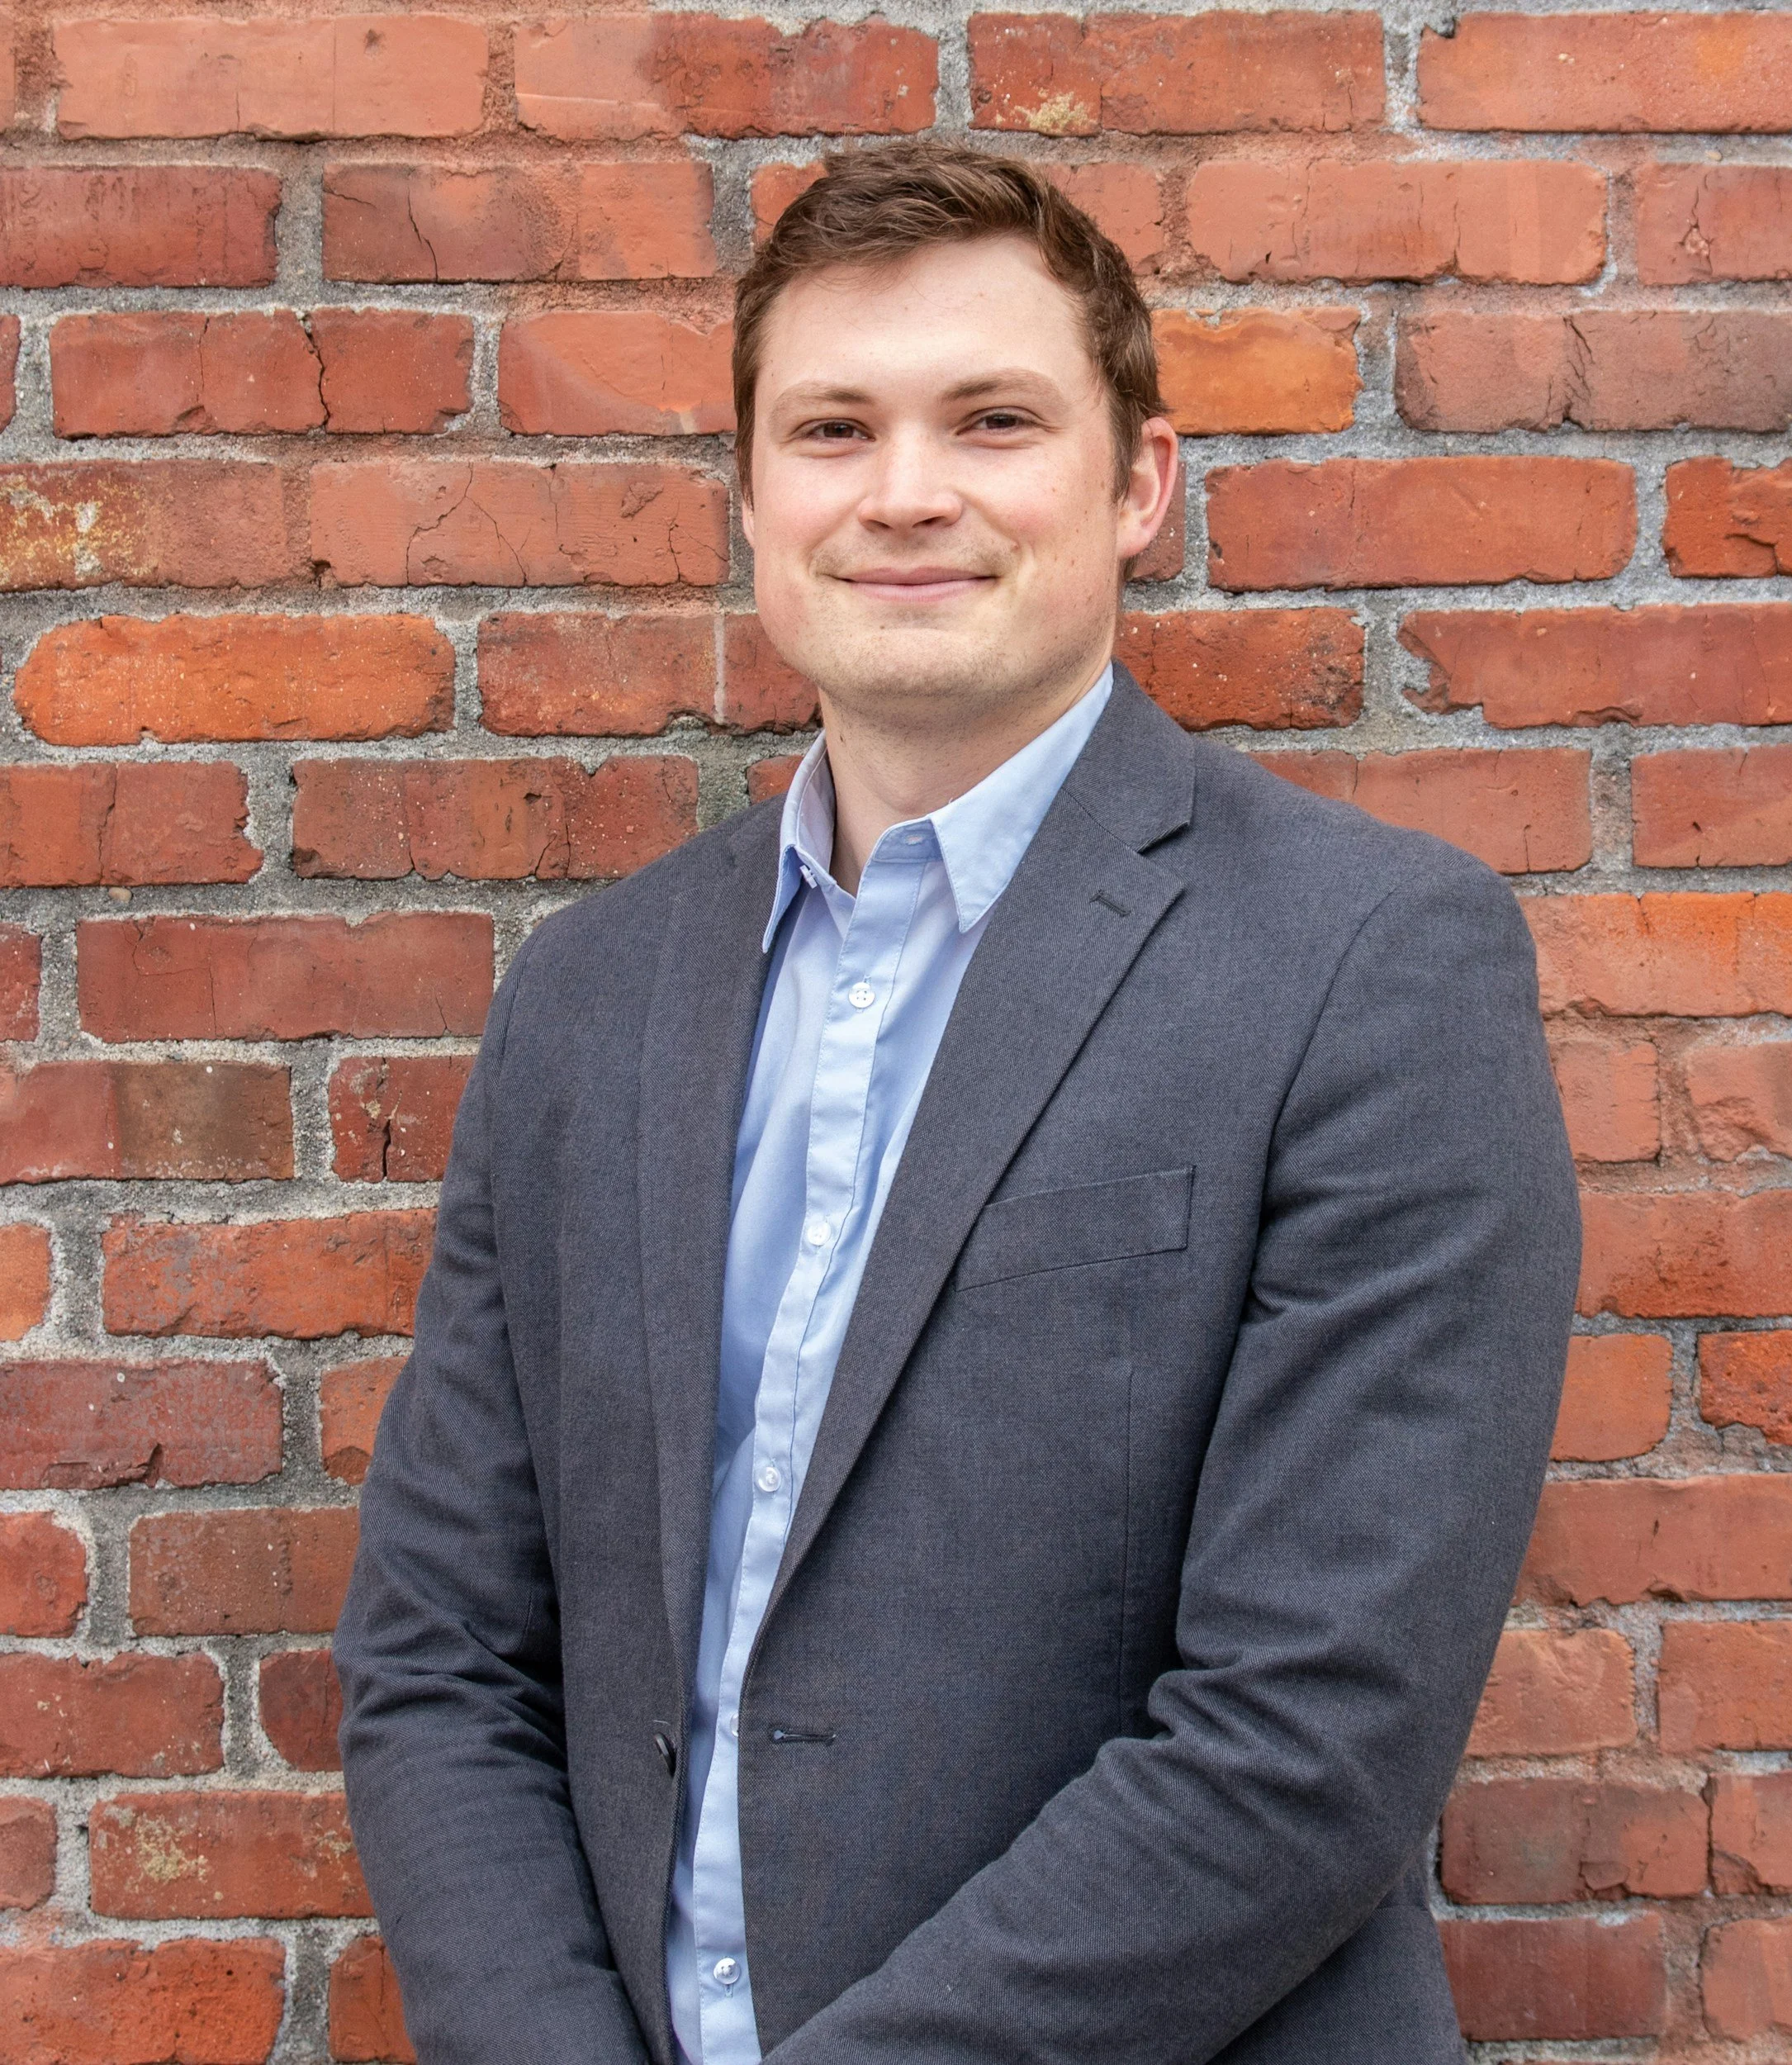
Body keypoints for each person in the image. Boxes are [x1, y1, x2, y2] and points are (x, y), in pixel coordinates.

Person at [334, 139, 1582, 2065]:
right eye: (831, 428)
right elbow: (441, 1662)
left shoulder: (1369, 963)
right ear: (748, 493)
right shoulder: (586, 1001)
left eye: (991, 419)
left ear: (1136, 480)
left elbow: (1310, 1731)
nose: (904, 493)